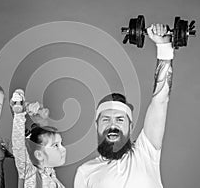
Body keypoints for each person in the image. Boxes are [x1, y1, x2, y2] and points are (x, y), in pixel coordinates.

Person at [74, 23, 174, 188]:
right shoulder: (85, 172)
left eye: (120, 119)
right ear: (96, 125)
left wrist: (163, 46)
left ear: (131, 126)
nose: (112, 126)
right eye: (106, 119)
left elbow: (160, 101)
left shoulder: (145, 153)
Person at [11, 90, 66, 188]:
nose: (62, 149)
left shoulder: (50, 173)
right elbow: (19, 145)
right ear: (39, 154)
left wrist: (39, 118)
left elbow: (43, 137)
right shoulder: (29, 172)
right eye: (56, 145)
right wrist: (19, 114)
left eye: (61, 144)